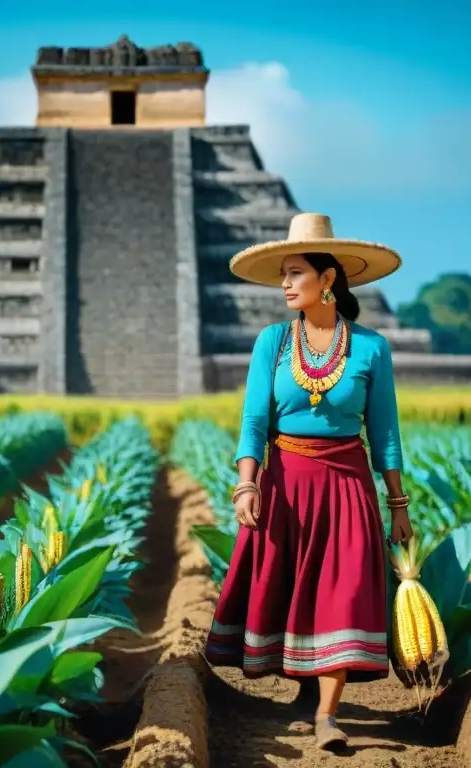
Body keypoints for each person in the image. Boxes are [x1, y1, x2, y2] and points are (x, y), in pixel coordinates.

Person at [203, 212, 414, 751]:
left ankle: (326, 714)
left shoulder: (370, 348)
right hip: (285, 488)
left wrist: (397, 504)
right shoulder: (273, 342)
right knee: (296, 588)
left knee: (340, 593)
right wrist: (246, 486)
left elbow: (384, 432)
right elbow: (253, 420)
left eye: (295, 273)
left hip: (347, 487)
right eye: (283, 274)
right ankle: (304, 693)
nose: (285, 284)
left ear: (329, 279)